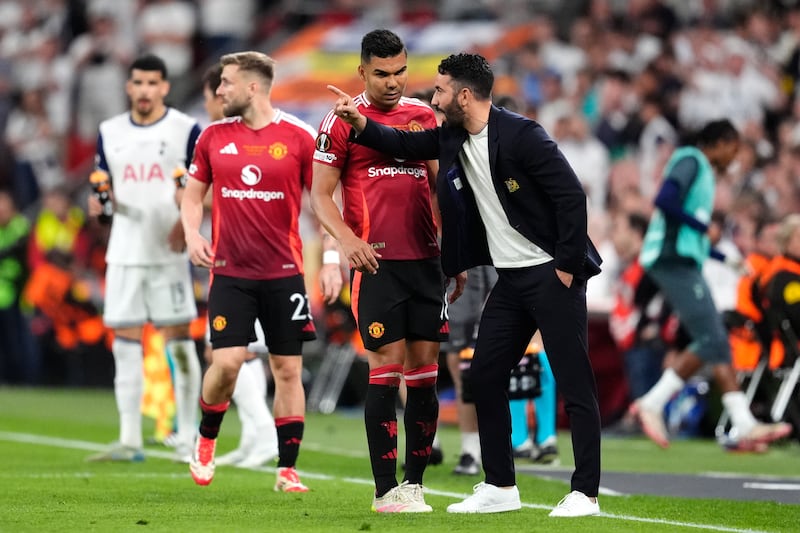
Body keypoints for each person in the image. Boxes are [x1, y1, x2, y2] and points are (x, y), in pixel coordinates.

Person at [329, 52, 603, 517]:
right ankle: (500, 485)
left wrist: (566, 266)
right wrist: (358, 122)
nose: (431, 98)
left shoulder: (523, 135)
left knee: (575, 381)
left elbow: (571, 196)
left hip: (550, 273)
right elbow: (405, 144)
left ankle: (586, 492)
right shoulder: (454, 136)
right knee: (484, 377)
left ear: (463, 95)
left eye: (438, 90)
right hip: (510, 280)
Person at [310, 29, 461, 513]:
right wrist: (347, 241)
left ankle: (413, 484)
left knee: (424, 376)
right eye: (382, 73)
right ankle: (383, 490)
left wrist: (454, 252)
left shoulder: (422, 117)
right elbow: (319, 195)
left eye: (400, 71)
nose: (393, 82)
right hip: (376, 264)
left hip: (426, 263)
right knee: (385, 369)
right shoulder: (339, 122)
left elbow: (444, 192)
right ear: (362, 71)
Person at [181, 51, 319, 492]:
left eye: (225, 83)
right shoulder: (212, 138)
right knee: (227, 363)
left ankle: (288, 468)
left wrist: (332, 258)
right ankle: (206, 439)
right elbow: (191, 196)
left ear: (253, 87)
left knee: (287, 370)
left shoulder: (298, 137)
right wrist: (191, 234)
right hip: (229, 271)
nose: (219, 91)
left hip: (284, 272)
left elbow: (322, 204)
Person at [632, 119, 792, 452]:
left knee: (714, 340)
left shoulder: (699, 167)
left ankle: (741, 422)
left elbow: (694, 232)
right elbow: (664, 200)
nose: (733, 158)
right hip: (671, 259)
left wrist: (724, 257)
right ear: (720, 142)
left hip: (681, 259)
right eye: (732, 149)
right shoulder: (692, 160)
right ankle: (653, 404)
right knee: (713, 337)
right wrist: (702, 228)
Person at [86, 54, 202, 463]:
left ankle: (189, 436)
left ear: (165, 87)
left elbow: (200, 186)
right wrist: (99, 208)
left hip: (167, 252)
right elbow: (104, 188)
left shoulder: (185, 129)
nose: (146, 90)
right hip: (124, 251)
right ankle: (130, 439)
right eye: (138, 82)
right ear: (129, 87)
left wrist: (186, 225)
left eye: (154, 83)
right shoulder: (109, 131)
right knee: (124, 345)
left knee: (182, 346)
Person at [192, 62, 278, 469]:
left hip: (259, 262)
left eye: (220, 90)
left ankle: (263, 434)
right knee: (241, 353)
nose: (217, 99)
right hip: (231, 260)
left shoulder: (240, 137)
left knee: (234, 353)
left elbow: (235, 194)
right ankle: (253, 436)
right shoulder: (215, 139)